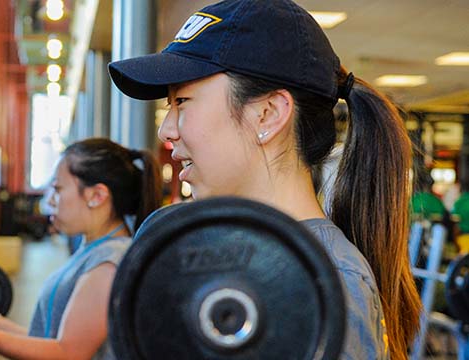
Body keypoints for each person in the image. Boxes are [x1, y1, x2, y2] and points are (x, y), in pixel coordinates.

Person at [108, 0, 421, 359]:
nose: (167, 129)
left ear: (268, 115)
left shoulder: (333, 284)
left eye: (182, 101)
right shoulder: (167, 236)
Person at [0, 138, 162, 359]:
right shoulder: (94, 250)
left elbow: (67, 353)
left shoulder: (110, 262)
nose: (49, 201)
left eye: (58, 189)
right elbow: (51, 337)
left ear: (96, 196)